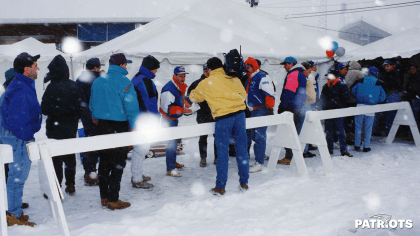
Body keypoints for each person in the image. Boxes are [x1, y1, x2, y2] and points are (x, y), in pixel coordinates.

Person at [189, 56, 249, 195]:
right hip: (240, 116)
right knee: (242, 151)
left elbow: (194, 97)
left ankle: (220, 187)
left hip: (223, 118)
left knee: (222, 155)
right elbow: (243, 95)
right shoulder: (234, 78)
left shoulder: (206, 82)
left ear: (209, 69)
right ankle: (244, 183)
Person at [90, 53, 139, 210]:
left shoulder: (98, 81)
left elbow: (92, 105)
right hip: (119, 126)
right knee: (118, 163)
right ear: (123, 65)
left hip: (102, 126)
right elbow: (132, 108)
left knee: (104, 162)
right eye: (126, 64)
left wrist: (97, 120)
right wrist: (133, 129)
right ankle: (113, 198)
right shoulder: (125, 82)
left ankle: (104, 196)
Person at [2, 52, 41, 226]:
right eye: (34, 66)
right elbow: (19, 120)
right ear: (27, 69)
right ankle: (12, 214)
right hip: (18, 138)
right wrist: (27, 137)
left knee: (18, 176)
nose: (37, 68)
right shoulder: (19, 87)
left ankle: (15, 211)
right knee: (17, 176)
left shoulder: (23, 84)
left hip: (20, 137)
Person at [41, 55, 88, 196]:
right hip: (70, 127)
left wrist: (57, 112)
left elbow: (44, 109)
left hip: (54, 128)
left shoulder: (51, 87)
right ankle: (70, 184)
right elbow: (82, 107)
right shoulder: (74, 86)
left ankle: (56, 186)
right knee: (69, 157)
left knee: (55, 159)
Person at [130, 55, 160, 188]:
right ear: (150, 68)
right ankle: (136, 179)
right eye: (155, 69)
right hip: (144, 120)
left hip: (138, 118)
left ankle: (137, 174)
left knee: (140, 149)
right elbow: (150, 103)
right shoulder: (145, 81)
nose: (156, 72)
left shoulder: (137, 77)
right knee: (141, 150)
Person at [243, 57, 275, 172]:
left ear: (253, 66)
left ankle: (260, 163)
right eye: (245, 67)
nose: (246, 69)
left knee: (259, 137)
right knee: (253, 135)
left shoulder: (262, 77)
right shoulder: (250, 78)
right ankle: (257, 160)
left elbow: (269, 93)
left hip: (261, 110)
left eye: (248, 67)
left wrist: (269, 109)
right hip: (253, 111)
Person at [160, 66, 192, 177]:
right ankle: (170, 169)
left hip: (173, 119)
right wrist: (183, 109)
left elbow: (178, 102)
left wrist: (185, 107)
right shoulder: (169, 89)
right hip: (168, 121)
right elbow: (165, 108)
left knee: (174, 143)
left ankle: (172, 162)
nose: (183, 78)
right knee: (171, 144)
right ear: (174, 76)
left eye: (184, 76)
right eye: (180, 76)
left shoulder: (179, 86)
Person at [76, 58, 104, 186]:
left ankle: (89, 172)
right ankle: (91, 174)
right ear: (95, 68)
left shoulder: (79, 79)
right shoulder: (96, 80)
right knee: (95, 146)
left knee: (89, 144)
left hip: (85, 116)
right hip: (94, 116)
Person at [277, 57, 307, 165]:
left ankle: (289, 157)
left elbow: (288, 92)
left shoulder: (293, 74)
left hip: (291, 107)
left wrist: (283, 107)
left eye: (285, 64)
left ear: (291, 64)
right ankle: (295, 156)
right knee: (294, 133)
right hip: (298, 107)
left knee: (288, 133)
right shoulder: (300, 74)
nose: (284, 67)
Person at [186, 63, 217, 167]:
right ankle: (203, 158)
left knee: (217, 136)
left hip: (215, 113)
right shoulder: (197, 83)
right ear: (203, 71)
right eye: (205, 71)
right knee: (203, 137)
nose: (207, 73)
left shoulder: (217, 81)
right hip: (202, 114)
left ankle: (217, 157)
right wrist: (195, 104)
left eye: (209, 71)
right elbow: (189, 96)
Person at [350, 67, 386, 152]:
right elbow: (383, 97)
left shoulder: (360, 80)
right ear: (376, 73)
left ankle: (357, 144)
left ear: (368, 72)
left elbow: (353, 91)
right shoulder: (379, 82)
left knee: (358, 127)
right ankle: (366, 146)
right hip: (371, 107)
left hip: (360, 106)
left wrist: (358, 97)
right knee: (368, 128)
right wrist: (376, 100)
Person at [320, 71, 353, 157]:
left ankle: (344, 150)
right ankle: (329, 149)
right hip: (328, 112)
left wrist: (338, 107)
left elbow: (346, 99)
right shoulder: (325, 86)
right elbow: (322, 99)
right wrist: (324, 108)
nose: (328, 78)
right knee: (329, 132)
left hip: (338, 112)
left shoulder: (342, 85)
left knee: (340, 131)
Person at [373, 60, 403, 136]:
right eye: (385, 66)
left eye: (387, 66)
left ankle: (390, 132)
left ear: (392, 66)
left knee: (391, 113)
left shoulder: (396, 74)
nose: (386, 68)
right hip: (387, 95)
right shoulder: (385, 74)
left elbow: (395, 84)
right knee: (387, 113)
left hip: (393, 95)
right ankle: (388, 130)